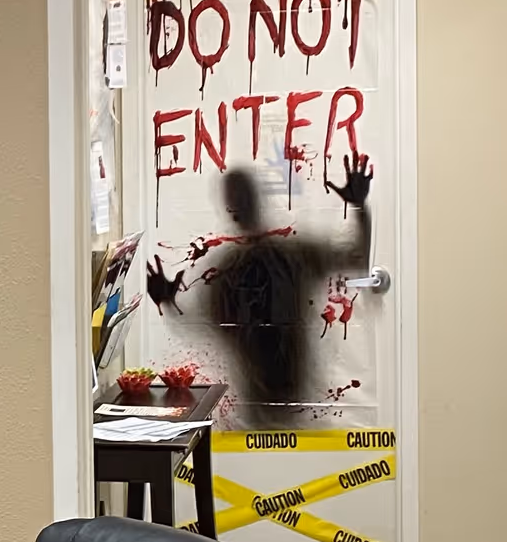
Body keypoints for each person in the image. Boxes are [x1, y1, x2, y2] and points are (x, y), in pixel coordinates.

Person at [145, 155, 374, 415]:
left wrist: (168, 302)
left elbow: (356, 259)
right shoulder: (244, 266)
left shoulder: (278, 258)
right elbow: (200, 325)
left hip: (287, 411)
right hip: (272, 411)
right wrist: (359, 207)